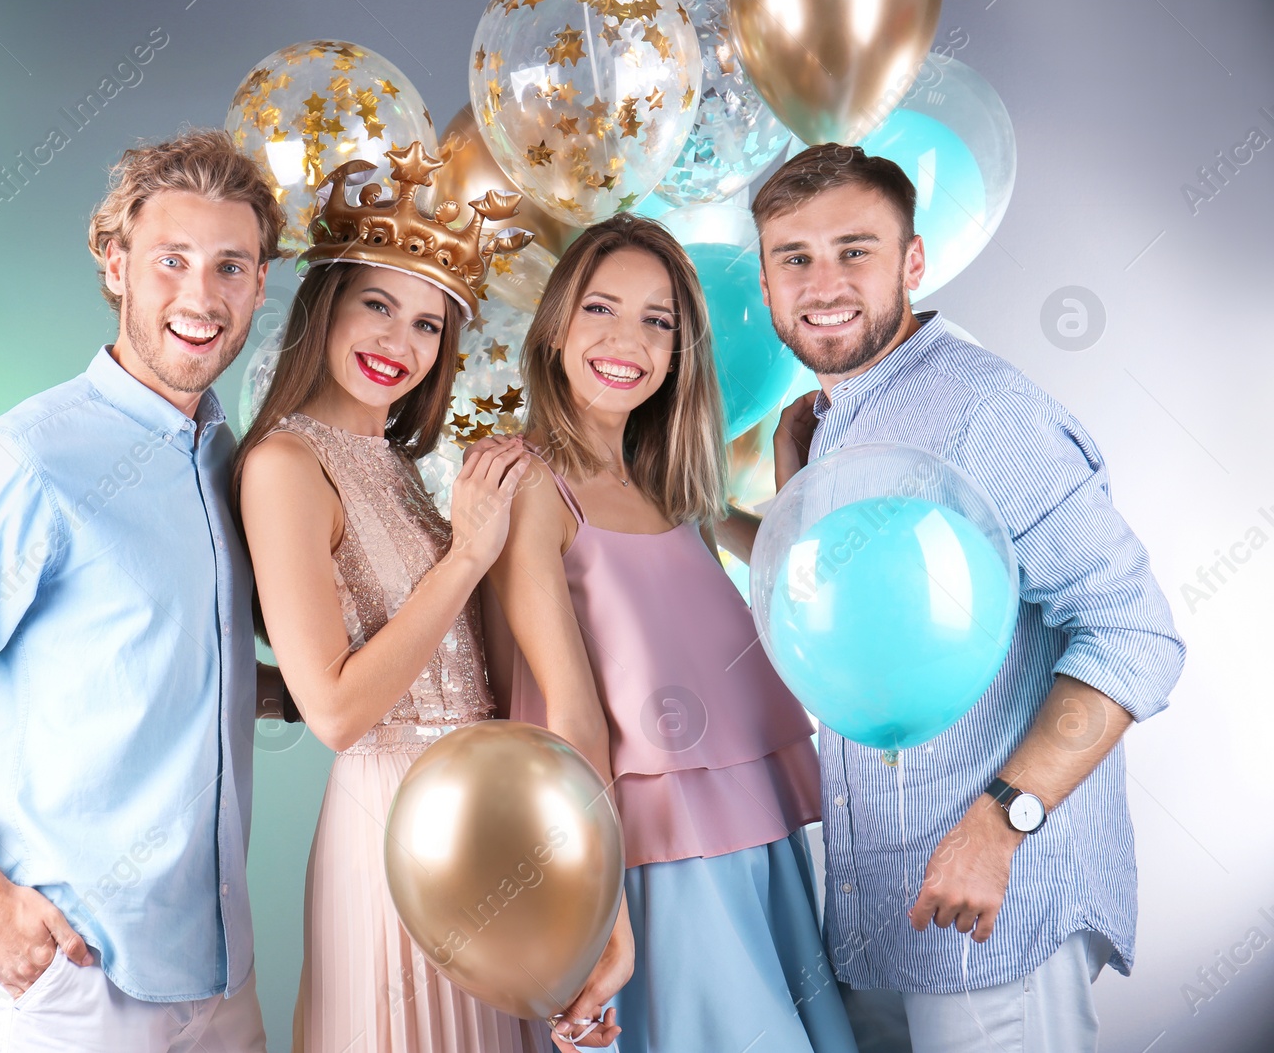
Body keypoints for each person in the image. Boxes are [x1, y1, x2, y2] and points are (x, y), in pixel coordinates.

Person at [0, 128, 281, 1052]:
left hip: (221, 968)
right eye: (171, 261)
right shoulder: (27, 459)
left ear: (261, 285)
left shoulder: (231, 460)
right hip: (75, 976)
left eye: (230, 266)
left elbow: (166, 665)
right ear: (114, 265)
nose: (201, 296)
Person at [756, 143, 1186, 1053]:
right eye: (794, 256)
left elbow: (1134, 634)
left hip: (997, 909)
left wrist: (1004, 818)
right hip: (880, 912)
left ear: (913, 262)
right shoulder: (837, 421)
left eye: (854, 250)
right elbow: (862, 601)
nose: (822, 281)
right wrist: (777, 499)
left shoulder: (983, 407)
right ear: (764, 280)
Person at [480, 213, 858, 1052]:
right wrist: (599, 906)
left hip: (757, 847)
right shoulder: (534, 487)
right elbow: (568, 724)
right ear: (556, 327)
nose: (630, 340)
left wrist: (798, 475)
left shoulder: (674, 488)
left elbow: (793, 581)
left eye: (659, 321)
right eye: (601, 309)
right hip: (649, 863)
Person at [234, 143, 548, 1053]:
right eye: (378, 304)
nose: (397, 344)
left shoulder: (402, 468)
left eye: (427, 325)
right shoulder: (285, 464)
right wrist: (470, 555)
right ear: (325, 305)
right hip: (392, 820)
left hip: (480, 816)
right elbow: (334, 710)